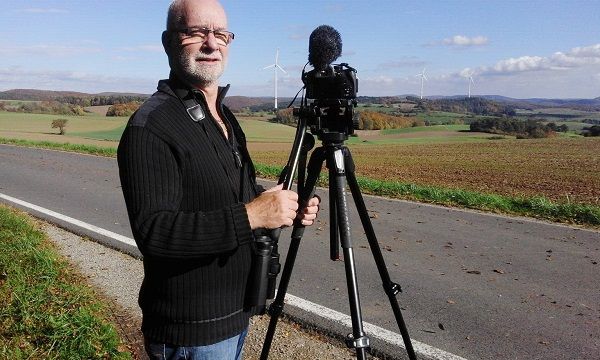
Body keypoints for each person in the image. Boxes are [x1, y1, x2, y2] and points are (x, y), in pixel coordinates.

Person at [117, 0, 320, 358]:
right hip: (191, 334)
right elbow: (155, 231)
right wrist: (253, 215)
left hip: (235, 316)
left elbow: (233, 194)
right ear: (168, 41)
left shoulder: (223, 115)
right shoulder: (151, 126)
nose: (212, 44)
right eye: (196, 32)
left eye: (221, 34)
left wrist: (278, 204)